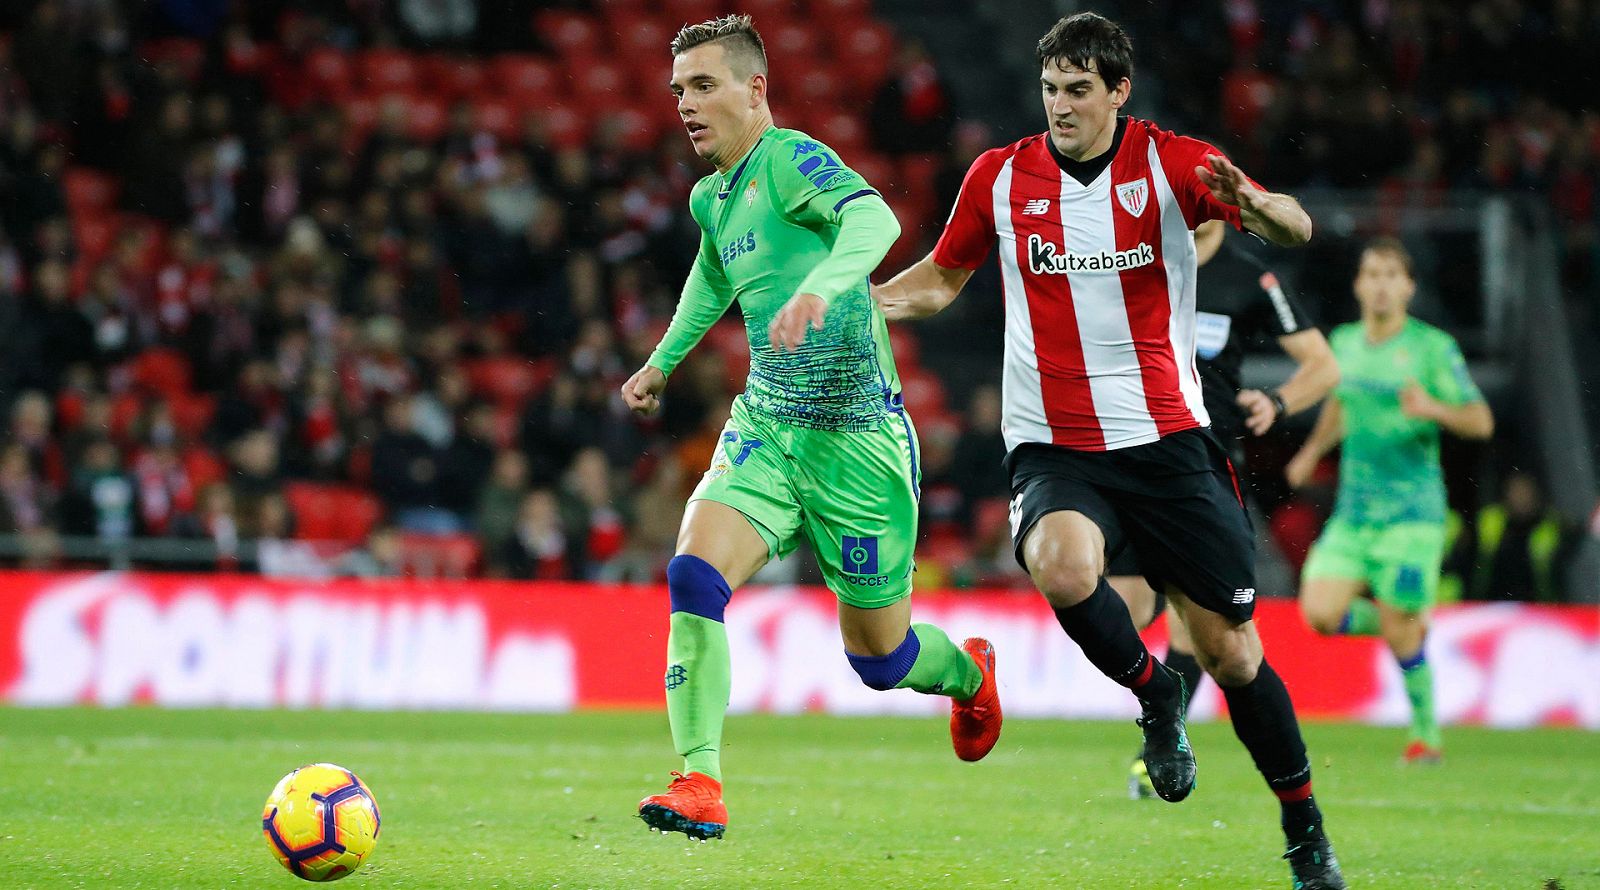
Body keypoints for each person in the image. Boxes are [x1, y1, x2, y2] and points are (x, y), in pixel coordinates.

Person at [872, 13, 1344, 888]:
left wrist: (1259, 207)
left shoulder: (1174, 163)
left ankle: (1304, 826)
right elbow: (940, 279)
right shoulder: (1000, 177)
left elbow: (1294, 229)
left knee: (1236, 654)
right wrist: (862, 302)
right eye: (1051, 89)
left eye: (1079, 90)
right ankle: (1158, 693)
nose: (1061, 105)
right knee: (1058, 563)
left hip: (1169, 442)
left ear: (1119, 91)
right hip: (1054, 445)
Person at [618, 15, 1001, 842]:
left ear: (756, 89)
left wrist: (826, 286)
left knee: (881, 661)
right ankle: (699, 783)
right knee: (693, 576)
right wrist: (662, 362)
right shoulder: (710, 195)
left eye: (704, 85)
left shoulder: (790, 159)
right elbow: (712, 275)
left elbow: (877, 224)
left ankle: (970, 675)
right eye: (679, 89)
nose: (686, 103)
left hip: (858, 443)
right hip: (768, 426)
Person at [1116, 218, 1340, 800]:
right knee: (1132, 610)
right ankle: (1164, 713)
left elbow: (1323, 363)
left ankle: (1159, 741)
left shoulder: (1250, 277)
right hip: (1129, 457)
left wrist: (1278, 401)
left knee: (1204, 618)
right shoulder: (1132, 258)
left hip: (1206, 467)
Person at [1287, 237, 1494, 765]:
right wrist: (1312, 451)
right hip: (1354, 515)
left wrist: (1434, 409)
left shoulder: (1432, 348)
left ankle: (1426, 736)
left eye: (1390, 275)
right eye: (1371, 274)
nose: (1379, 285)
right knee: (1319, 614)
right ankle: (1402, 621)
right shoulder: (1344, 342)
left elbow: (1480, 420)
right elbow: (1339, 404)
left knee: (1401, 626)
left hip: (1413, 516)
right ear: (1358, 284)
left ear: (1408, 287)